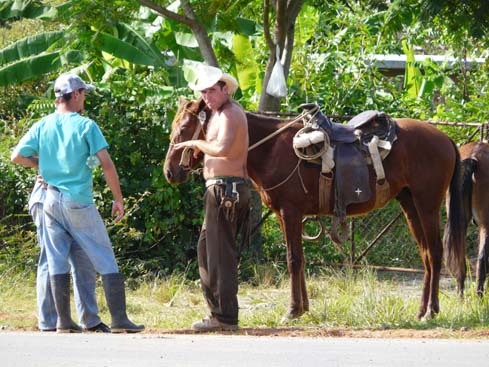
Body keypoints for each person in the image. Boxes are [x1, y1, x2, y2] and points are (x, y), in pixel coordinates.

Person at [11, 73, 144, 333]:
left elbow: (17, 155)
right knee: (105, 257)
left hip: (50, 199)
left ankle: (63, 322)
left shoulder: (43, 124)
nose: (85, 98)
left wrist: (41, 165)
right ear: (76, 95)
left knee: (56, 259)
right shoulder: (86, 126)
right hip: (77, 201)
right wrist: (118, 198)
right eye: (84, 93)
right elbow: (105, 162)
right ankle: (119, 320)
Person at [174, 65, 251, 331]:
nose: (207, 96)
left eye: (211, 90)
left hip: (227, 189)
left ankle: (225, 317)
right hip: (219, 189)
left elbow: (222, 149)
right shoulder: (217, 114)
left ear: (224, 89)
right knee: (207, 252)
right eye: (203, 91)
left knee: (220, 255)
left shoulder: (230, 114)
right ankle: (218, 312)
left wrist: (195, 145)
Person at [30, 178, 110, 333]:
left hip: (74, 203)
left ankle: (90, 320)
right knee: (51, 259)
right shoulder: (48, 153)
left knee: (83, 259)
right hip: (47, 199)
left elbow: (93, 162)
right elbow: (17, 156)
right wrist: (45, 169)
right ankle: (49, 321)